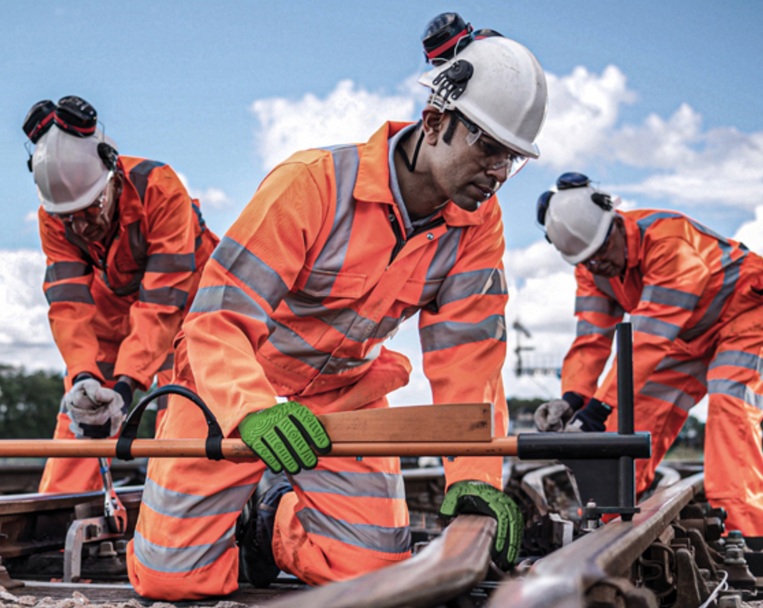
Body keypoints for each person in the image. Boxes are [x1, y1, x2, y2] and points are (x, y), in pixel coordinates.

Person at [126, 32, 548, 600]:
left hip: (342, 399)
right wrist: (252, 410)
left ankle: (269, 519)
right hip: (229, 394)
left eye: (511, 159)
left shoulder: (477, 227)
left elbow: (469, 363)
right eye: (488, 149)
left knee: (375, 581)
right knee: (169, 579)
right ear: (432, 122)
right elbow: (220, 316)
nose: (497, 172)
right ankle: (222, 517)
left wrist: (474, 479)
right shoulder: (313, 184)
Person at [533, 172, 763, 536]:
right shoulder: (591, 270)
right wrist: (574, 399)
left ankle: (743, 537)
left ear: (616, 225)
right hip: (686, 332)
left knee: (729, 408)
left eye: (602, 253)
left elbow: (649, 338)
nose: (598, 266)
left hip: (748, 309)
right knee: (632, 416)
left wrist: (598, 407)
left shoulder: (669, 242)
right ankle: (611, 521)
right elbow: (591, 340)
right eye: (587, 260)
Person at [23, 96, 218, 494]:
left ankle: (176, 505)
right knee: (84, 413)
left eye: (90, 209)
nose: (81, 227)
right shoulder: (55, 216)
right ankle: (56, 520)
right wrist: (83, 374)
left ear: (112, 175)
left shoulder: (160, 190)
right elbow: (68, 303)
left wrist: (128, 385)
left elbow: (163, 302)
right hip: (114, 311)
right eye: (68, 218)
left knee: (185, 415)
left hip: (193, 311)